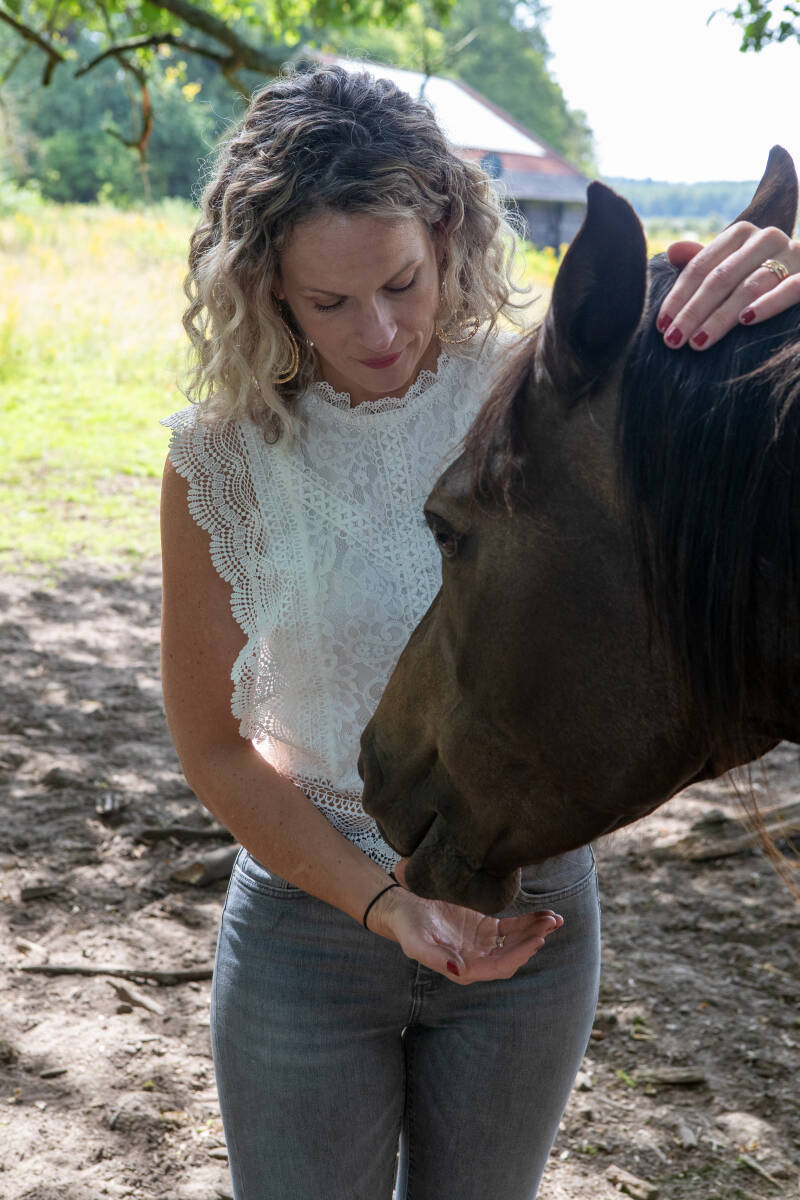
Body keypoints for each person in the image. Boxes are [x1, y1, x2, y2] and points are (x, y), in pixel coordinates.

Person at [160, 66, 800, 1200]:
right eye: (328, 303)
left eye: (402, 282)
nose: (380, 330)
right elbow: (212, 748)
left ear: (445, 231)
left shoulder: (542, 393)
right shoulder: (224, 456)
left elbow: (741, 416)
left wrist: (778, 284)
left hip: (531, 919)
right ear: (263, 291)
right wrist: (382, 904)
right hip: (311, 930)